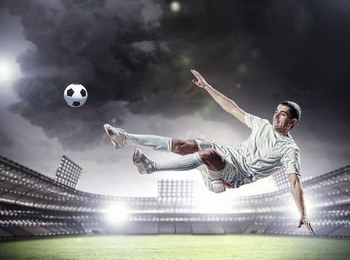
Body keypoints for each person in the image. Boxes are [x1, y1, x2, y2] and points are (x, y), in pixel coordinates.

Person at [104, 69, 315, 234]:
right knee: (183, 145)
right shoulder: (262, 125)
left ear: (292, 122)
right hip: (227, 154)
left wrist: (303, 214)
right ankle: (126, 138)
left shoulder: (290, 150)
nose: (276, 116)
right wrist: (207, 87)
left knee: (208, 155)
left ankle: (151, 168)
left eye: (283, 114)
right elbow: (233, 108)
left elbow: (295, 182)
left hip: (238, 174)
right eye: (276, 111)